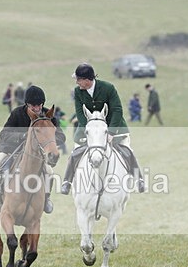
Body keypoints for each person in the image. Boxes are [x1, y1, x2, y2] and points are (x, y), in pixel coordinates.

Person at [0, 85, 65, 214]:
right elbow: (4, 134)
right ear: (27, 104)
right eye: (33, 106)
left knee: (49, 171)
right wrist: (23, 136)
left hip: (36, 154)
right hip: (12, 150)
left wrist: (48, 139)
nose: (37, 109)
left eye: (39, 105)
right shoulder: (17, 113)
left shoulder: (48, 115)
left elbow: (61, 136)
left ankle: (46, 198)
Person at [60, 63, 145, 195]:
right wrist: (89, 130)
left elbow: (117, 110)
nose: (77, 82)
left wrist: (111, 132)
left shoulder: (108, 88)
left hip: (114, 127)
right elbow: (80, 112)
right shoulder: (78, 92)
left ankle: (139, 179)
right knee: (75, 152)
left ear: (87, 80)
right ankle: (67, 182)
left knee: (127, 151)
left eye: (78, 79)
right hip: (89, 129)